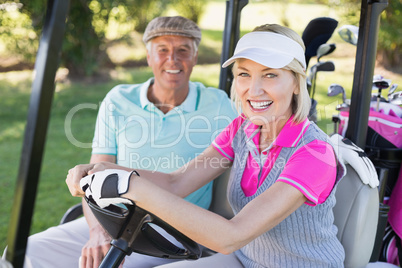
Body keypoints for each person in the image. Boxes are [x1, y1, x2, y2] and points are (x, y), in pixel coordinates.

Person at [67, 23, 346, 267]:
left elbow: (230, 236)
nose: (255, 89)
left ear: (297, 83)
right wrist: (102, 168)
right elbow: (177, 182)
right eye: (244, 74)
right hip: (247, 260)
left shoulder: (314, 153)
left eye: (270, 74)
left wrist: (131, 186)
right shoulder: (242, 129)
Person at [22, 16, 236, 268]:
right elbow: (96, 174)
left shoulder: (219, 104)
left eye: (183, 50)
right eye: (163, 50)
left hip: (173, 231)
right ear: (148, 57)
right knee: (28, 253)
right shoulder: (118, 99)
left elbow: (180, 181)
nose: (173, 60)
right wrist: (97, 233)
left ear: (195, 57)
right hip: (112, 218)